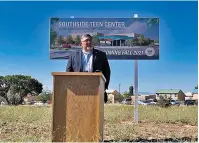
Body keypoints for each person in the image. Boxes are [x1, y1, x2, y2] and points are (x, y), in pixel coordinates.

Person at [66, 34, 111, 103]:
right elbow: (68, 71)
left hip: (96, 88)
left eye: (90, 40)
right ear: (81, 43)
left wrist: (104, 86)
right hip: (78, 88)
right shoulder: (73, 55)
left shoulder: (101, 55)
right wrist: (70, 86)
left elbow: (107, 71)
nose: (89, 42)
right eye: (86, 40)